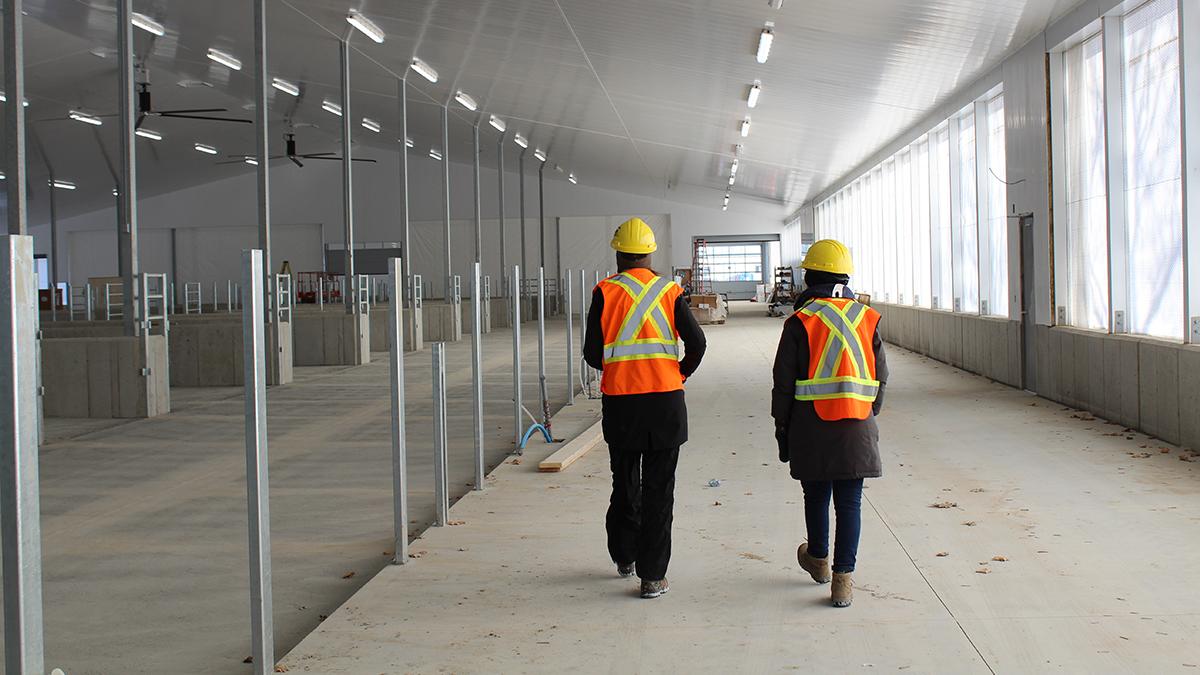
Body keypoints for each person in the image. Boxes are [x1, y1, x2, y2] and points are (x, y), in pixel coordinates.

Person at [583, 217, 706, 599]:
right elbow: (697, 344)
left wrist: (623, 368)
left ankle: (624, 557)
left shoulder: (605, 291)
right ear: (650, 254)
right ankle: (653, 577)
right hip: (666, 404)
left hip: (622, 405)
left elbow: (591, 353)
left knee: (625, 484)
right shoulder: (669, 291)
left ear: (619, 255)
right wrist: (677, 373)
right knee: (660, 490)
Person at [771, 239, 887, 608]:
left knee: (816, 494)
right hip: (857, 423)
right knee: (849, 503)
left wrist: (782, 427)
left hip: (811, 425)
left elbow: (783, 382)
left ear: (809, 277)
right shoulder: (866, 318)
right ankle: (843, 582)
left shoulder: (801, 321)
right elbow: (881, 374)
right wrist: (868, 413)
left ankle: (818, 561)